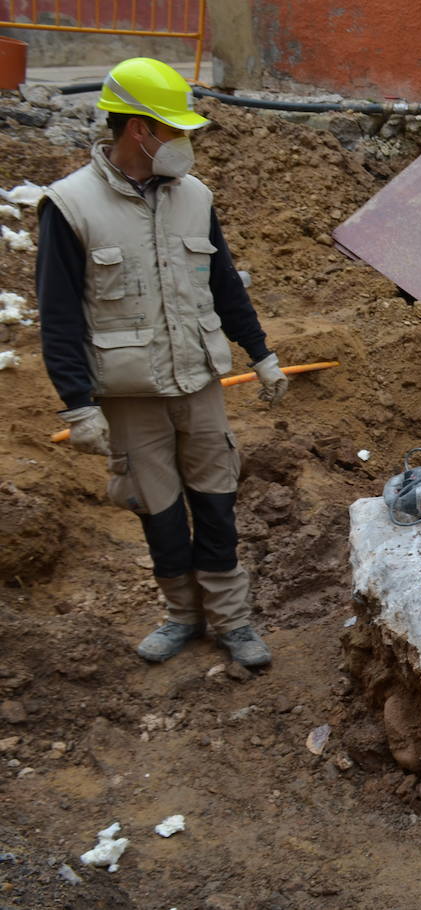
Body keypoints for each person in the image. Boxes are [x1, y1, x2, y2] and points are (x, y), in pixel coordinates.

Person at [36, 57, 288, 667]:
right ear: (138, 130)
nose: (182, 142)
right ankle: (182, 615)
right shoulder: (70, 206)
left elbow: (225, 285)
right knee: (159, 508)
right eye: (171, 129)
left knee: (216, 497)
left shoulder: (195, 197)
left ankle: (232, 621)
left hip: (197, 379)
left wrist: (262, 354)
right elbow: (59, 315)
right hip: (128, 393)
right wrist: (78, 404)